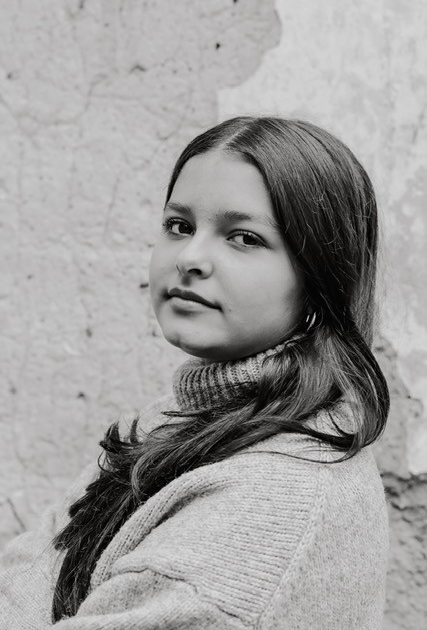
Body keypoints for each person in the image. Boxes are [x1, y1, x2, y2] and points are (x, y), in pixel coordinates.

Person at [0, 116, 390, 629]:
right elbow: (32, 563)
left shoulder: (277, 502)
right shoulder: (179, 417)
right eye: (179, 226)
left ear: (321, 277)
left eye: (244, 237)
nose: (189, 257)